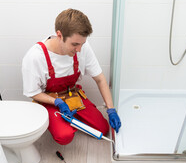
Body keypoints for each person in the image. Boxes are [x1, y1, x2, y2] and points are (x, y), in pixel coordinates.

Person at [22, 8, 121, 145]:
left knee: (102, 129)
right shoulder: (35, 57)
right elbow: (32, 93)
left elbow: (100, 79)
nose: (79, 49)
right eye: (74, 44)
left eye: (82, 44)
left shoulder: (81, 47)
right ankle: (60, 122)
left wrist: (111, 110)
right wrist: (57, 102)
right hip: (49, 100)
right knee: (65, 136)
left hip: (72, 95)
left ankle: (69, 120)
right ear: (59, 35)